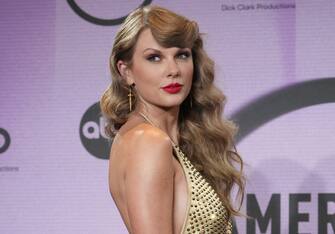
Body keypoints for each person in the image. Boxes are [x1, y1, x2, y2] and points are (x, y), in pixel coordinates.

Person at [100, 5, 245, 234]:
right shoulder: (147, 141)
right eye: (154, 57)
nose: (173, 69)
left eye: (182, 55)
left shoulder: (159, 139)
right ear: (126, 71)